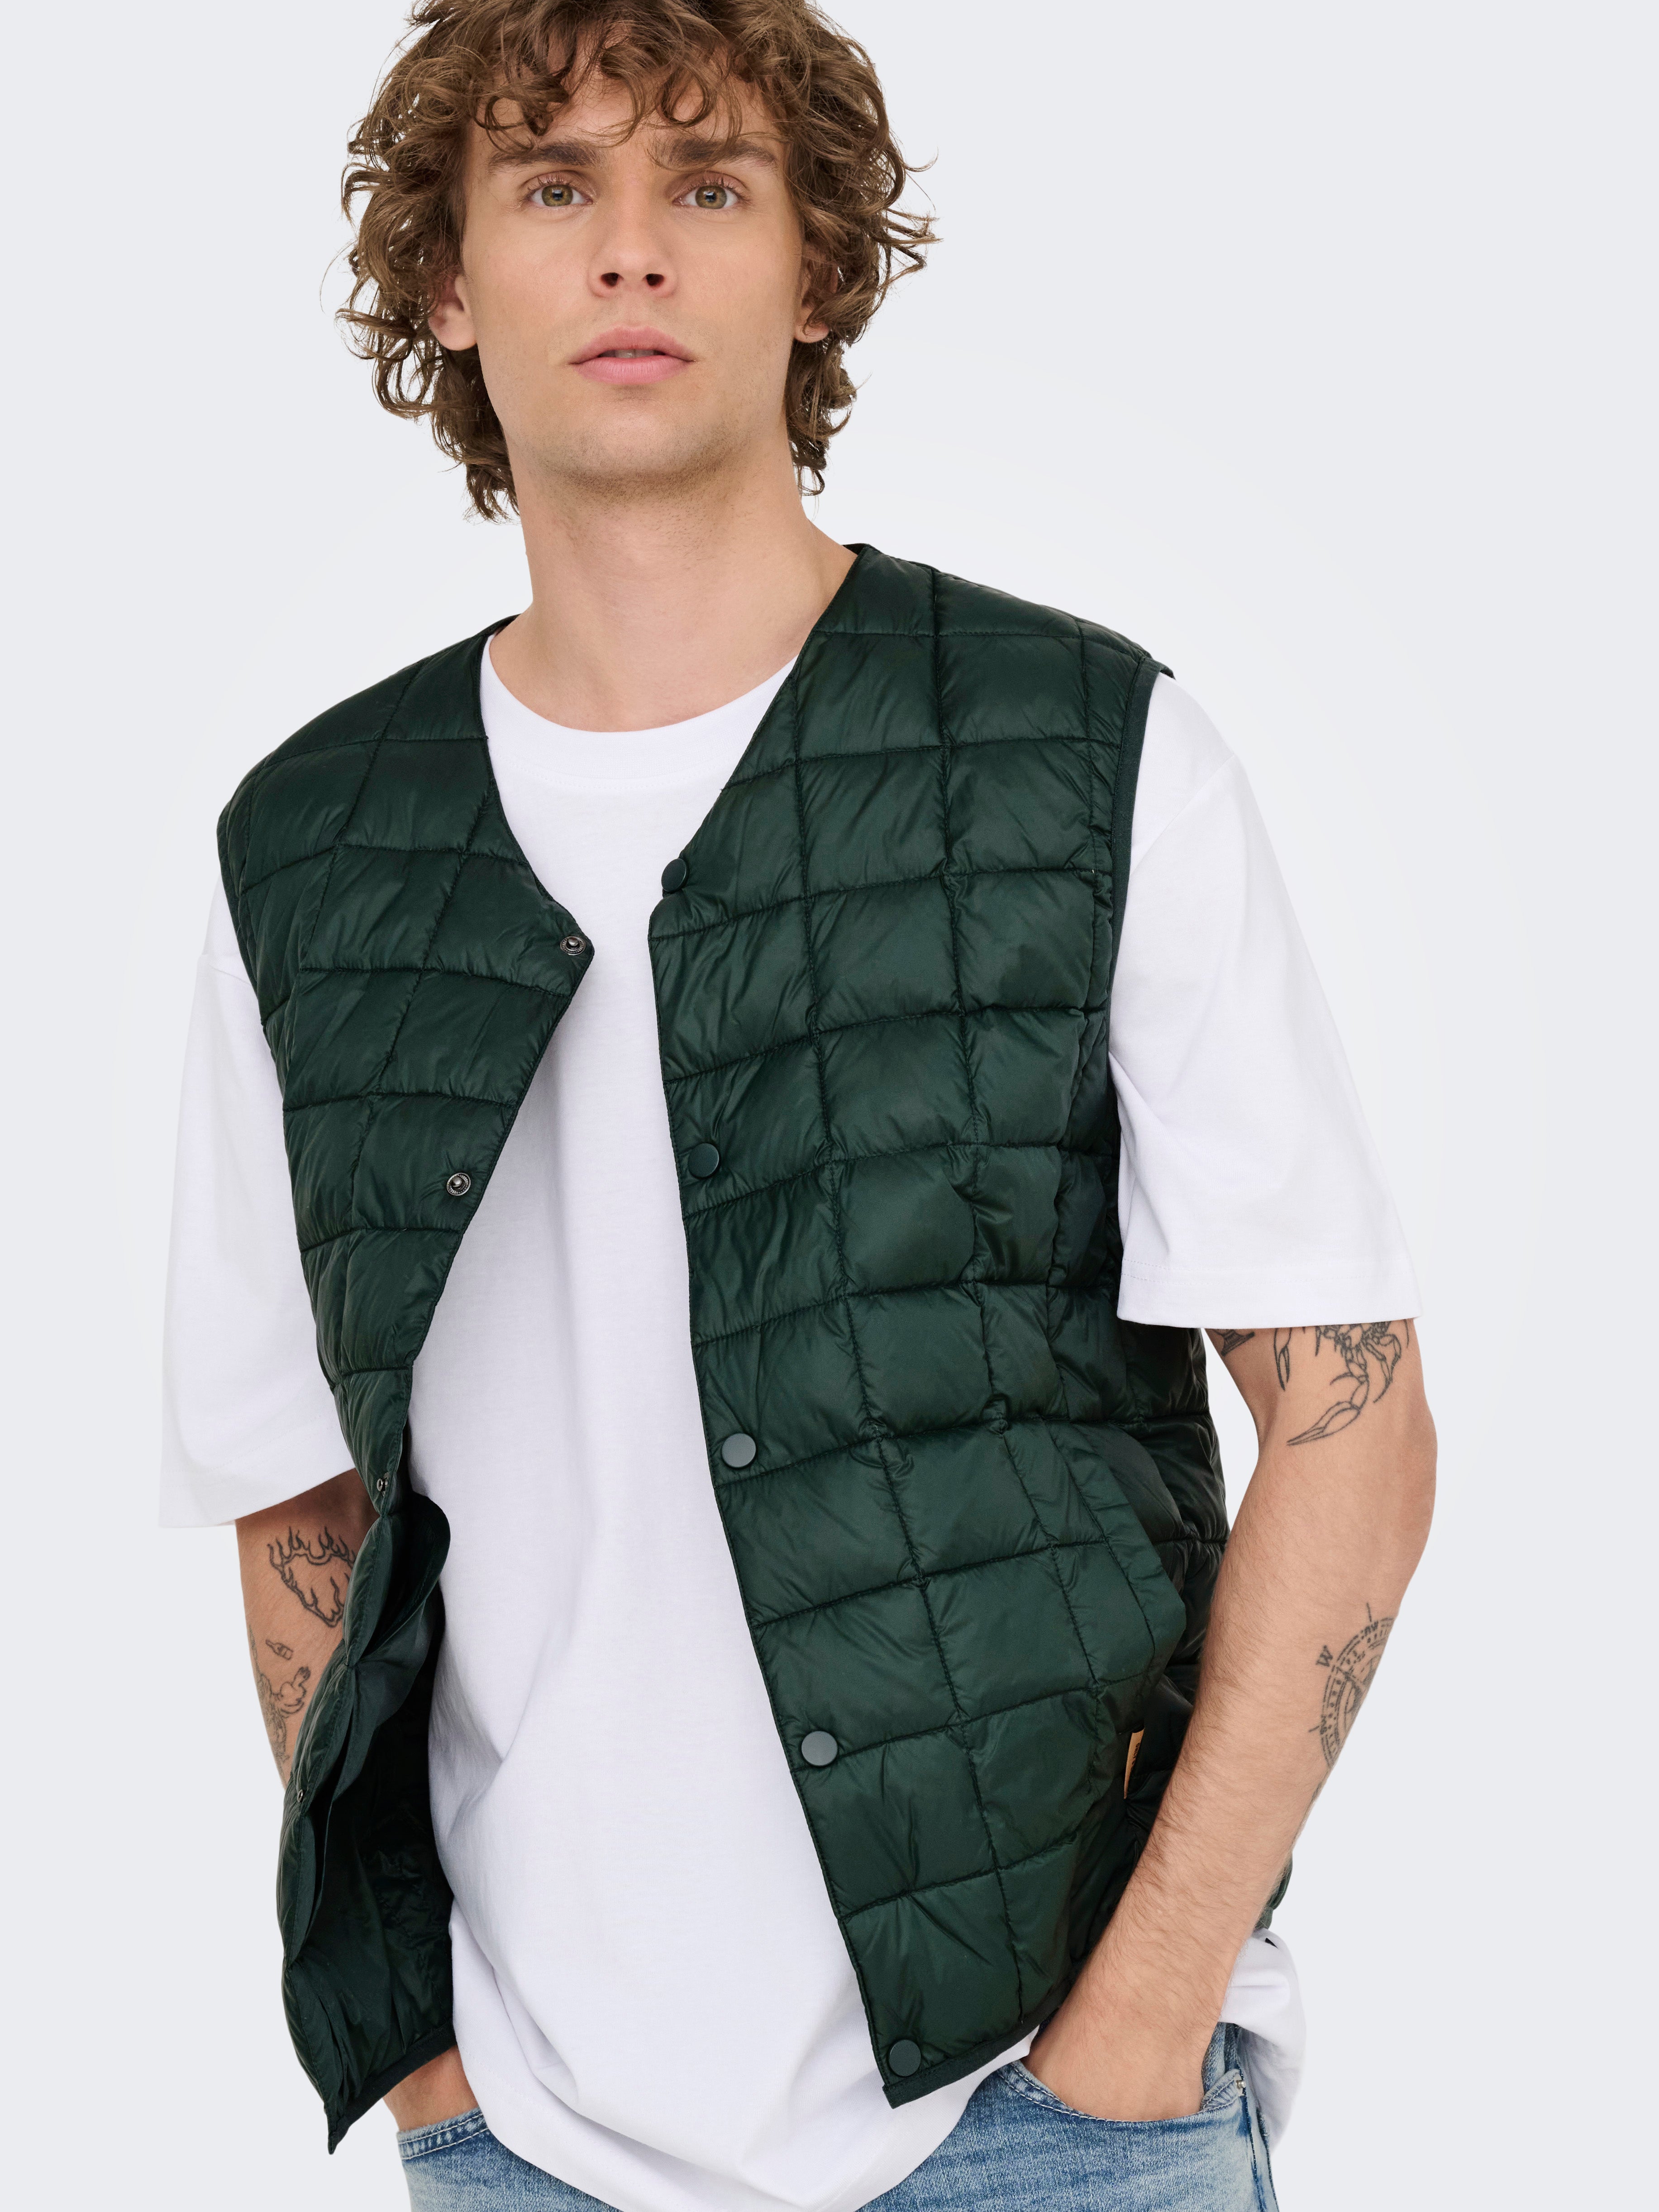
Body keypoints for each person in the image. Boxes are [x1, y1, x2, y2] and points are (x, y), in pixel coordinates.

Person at [161, 3, 1436, 2206]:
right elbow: (295, 1496)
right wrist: (434, 2076)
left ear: (815, 267)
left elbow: (1354, 1426)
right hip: (531, 2140)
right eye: (552, 187)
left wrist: (1138, 2024)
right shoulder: (308, 850)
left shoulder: (1081, 755)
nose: (629, 251)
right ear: (448, 283)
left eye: (708, 185)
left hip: (1040, 2111)